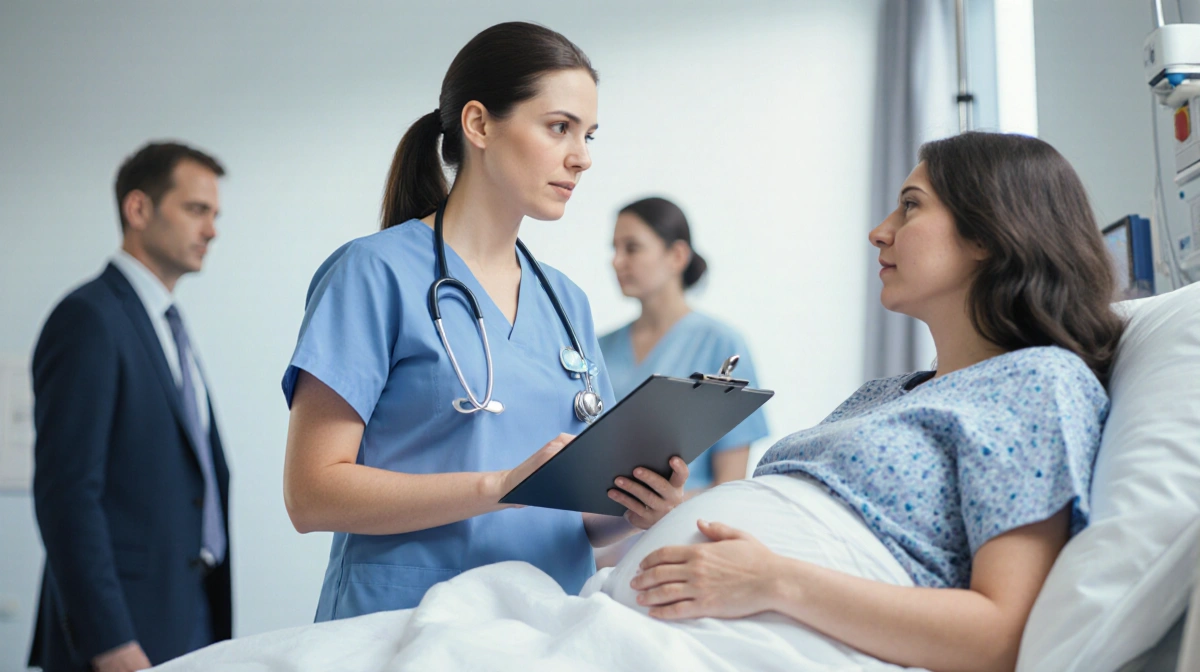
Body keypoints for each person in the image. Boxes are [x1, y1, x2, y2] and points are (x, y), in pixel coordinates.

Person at [610, 132, 1126, 672]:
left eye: (910, 207)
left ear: (990, 234)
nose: (879, 232)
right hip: (658, 619)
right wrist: (682, 516)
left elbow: (1000, 638)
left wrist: (772, 581)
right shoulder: (882, 395)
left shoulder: (1038, 381)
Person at [281, 21, 688, 621]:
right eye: (559, 128)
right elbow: (311, 494)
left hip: (545, 628)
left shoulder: (565, 302)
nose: (582, 158)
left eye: (589, 134)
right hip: (401, 627)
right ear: (478, 124)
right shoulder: (372, 274)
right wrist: (498, 487)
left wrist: (633, 506)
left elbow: (579, 512)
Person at [29, 142, 231, 671]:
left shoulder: (170, 327)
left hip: (189, 614)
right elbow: (67, 495)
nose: (211, 229)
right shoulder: (88, 320)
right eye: (195, 210)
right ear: (138, 209)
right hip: (121, 634)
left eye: (214, 214)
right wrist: (109, 640)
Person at [599, 197, 769, 491]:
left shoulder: (721, 343)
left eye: (632, 248)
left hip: (685, 525)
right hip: (602, 527)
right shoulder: (598, 348)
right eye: (614, 249)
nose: (616, 261)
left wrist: (664, 511)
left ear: (677, 255)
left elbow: (730, 484)